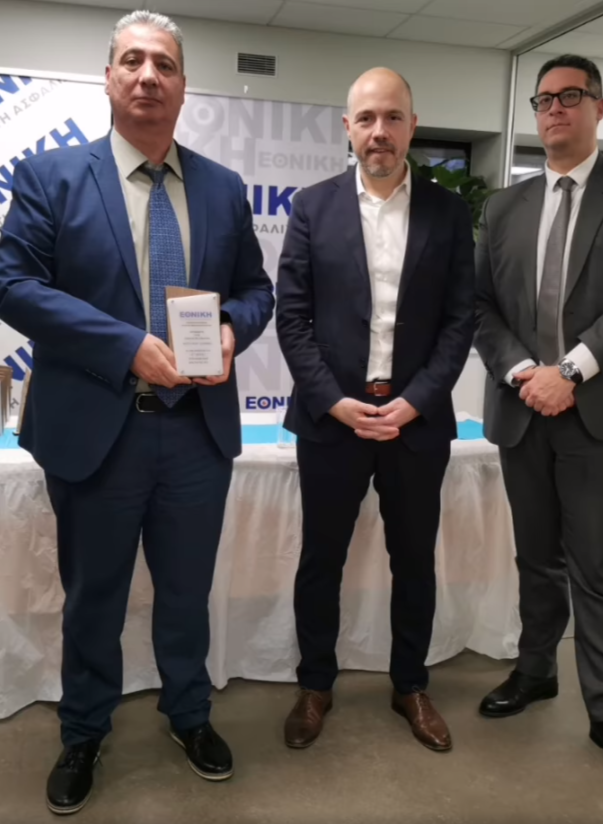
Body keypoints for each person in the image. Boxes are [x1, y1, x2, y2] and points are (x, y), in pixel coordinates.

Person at [0, 10, 274, 816]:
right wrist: (125, 346)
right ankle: (84, 729)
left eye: (164, 63)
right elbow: (13, 285)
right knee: (94, 596)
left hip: (196, 431)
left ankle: (189, 714)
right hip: (97, 433)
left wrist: (234, 329)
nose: (148, 75)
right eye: (132, 61)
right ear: (109, 78)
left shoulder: (223, 188)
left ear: (184, 86)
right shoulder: (50, 177)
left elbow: (256, 291)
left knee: (187, 593)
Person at [277, 68, 475, 753]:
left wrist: (416, 402)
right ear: (348, 128)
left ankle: (410, 685)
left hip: (415, 424)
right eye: (366, 118)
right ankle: (315, 684)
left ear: (412, 126)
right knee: (320, 560)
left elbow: (459, 321)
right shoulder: (312, 207)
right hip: (333, 422)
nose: (379, 131)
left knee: (414, 560)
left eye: (392, 117)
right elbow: (293, 319)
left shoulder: (449, 213)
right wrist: (333, 402)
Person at [475, 54, 603, 795]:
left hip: (602, 417)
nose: (554, 110)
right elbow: (482, 307)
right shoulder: (503, 207)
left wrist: (569, 371)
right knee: (536, 558)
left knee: (599, 569)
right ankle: (536, 670)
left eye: (570, 96)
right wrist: (525, 373)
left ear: (600, 108)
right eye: (543, 100)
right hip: (524, 411)